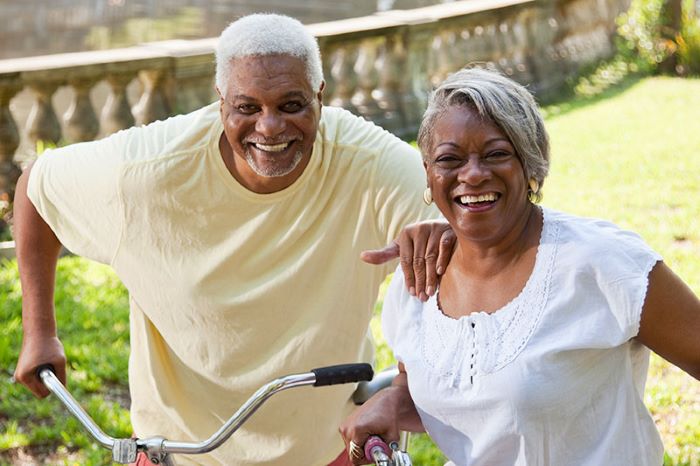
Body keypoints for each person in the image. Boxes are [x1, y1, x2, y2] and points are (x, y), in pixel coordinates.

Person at [12, 13, 454, 466]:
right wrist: (40, 333)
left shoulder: (367, 162)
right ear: (220, 101)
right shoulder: (146, 172)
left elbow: (474, 238)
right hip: (179, 452)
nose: (270, 127)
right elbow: (35, 188)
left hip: (325, 448)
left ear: (321, 97)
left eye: (291, 105)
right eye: (247, 108)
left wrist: (405, 386)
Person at [339, 67, 700, 466]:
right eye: (449, 158)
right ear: (428, 172)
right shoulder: (419, 280)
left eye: (496, 154)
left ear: (531, 165)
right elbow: (438, 385)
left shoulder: (601, 263)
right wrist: (393, 402)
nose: (473, 174)